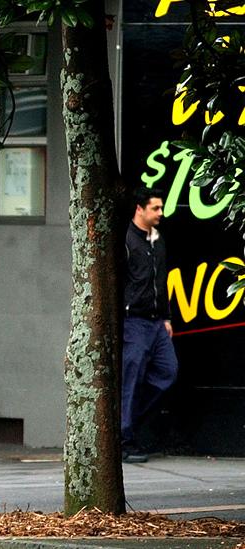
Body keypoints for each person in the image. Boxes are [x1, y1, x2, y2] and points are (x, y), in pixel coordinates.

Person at [121, 186, 179, 464]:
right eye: (155, 208)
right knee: (130, 380)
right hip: (134, 322)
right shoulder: (127, 240)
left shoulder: (158, 240)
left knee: (168, 372)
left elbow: (162, 282)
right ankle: (124, 440)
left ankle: (127, 424)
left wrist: (167, 317)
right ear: (140, 209)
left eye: (161, 207)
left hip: (157, 324)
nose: (161, 213)